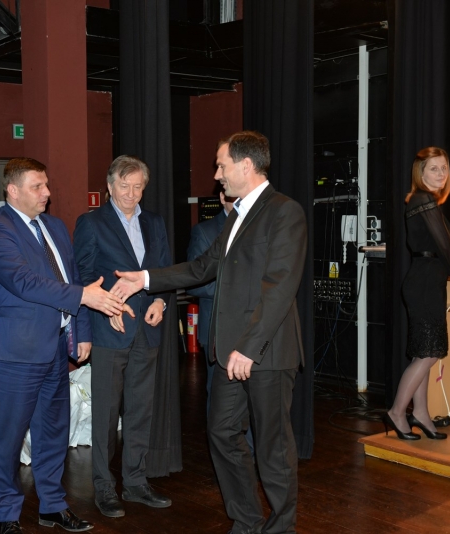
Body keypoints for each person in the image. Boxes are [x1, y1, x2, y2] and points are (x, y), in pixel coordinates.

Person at [111, 131, 307, 534]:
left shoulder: (284, 212)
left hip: (266, 352)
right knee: (221, 433)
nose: (217, 174)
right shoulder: (237, 216)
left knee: (272, 447)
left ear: (246, 166)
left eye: (221, 165)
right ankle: (247, 521)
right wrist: (144, 279)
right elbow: (201, 268)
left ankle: (282, 528)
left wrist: (249, 348)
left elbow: (279, 287)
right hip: (230, 351)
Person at [0, 157, 123, 534]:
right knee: (8, 439)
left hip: (56, 348)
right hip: (14, 353)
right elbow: (24, 282)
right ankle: (7, 516)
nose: (47, 193)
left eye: (46, 185)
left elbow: (74, 279)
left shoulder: (55, 226)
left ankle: (53, 506)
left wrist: (82, 331)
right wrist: (84, 298)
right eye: (37, 187)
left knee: (53, 433)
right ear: (12, 190)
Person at [73, 155, 172, 518]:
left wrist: (160, 301)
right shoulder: (91, 223)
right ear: (110, 185)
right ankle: (103, 486)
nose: (131, 193)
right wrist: (107, 306)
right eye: (124, 186)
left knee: (141, 410)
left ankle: (135, 482)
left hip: (147, 327)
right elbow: (83, 276)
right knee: (106, 412)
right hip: (109, 329)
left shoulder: (155, 222)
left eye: (138, 187)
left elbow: (163, 271)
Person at [384, 147, 450, 441]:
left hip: (427, 282)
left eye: (444, 168)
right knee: (429, 353)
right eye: (434, 168)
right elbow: (442, 242)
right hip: (423, 283)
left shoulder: (425, 201)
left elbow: (439, 242)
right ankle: (397, 412)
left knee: (425, 351)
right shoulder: (422, 199)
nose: (441, 173)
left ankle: (420, 413)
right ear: (420, 172)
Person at [186, 190, 234, 409]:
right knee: (219, 399)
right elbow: (195, 282)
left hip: (252, 329)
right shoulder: (204, 231)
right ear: (222, 198)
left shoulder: (259, 226)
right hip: (217, 329)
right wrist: (238, 292)